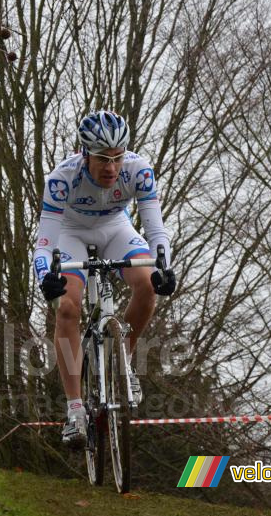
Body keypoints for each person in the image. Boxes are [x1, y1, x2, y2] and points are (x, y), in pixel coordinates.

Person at [32, 110, 176, 447]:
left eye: (117, 157)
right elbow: (44, 242)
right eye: (102, 159)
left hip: (115, 229)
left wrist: (166, 268)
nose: (111, 167)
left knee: (147, 286)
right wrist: (45, 277)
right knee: (67, 308)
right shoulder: (61, 178)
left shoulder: (138, 171)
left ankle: (122, 362)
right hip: (70, 234)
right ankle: (75, 410)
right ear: (85, 154)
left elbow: (155, 229)